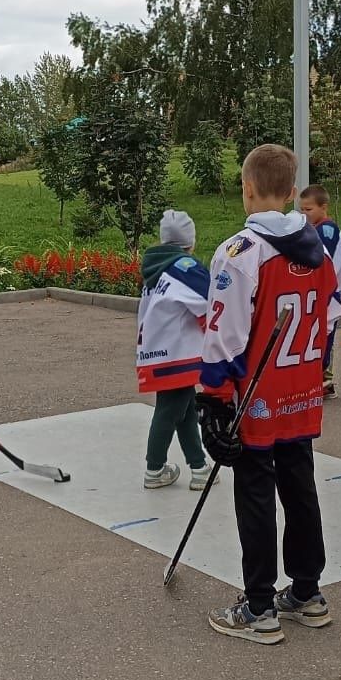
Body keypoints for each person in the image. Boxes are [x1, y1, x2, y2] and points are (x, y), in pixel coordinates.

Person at [198, 144, 340, 644]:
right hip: (299, 393)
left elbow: (224, 335)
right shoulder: (318, 249)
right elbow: (329, 318)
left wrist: (212, 399)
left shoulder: (241, 252)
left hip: (255, 398)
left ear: (249, 188)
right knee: (300, 486)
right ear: (290, 192)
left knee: (255, 492)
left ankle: (259, 607)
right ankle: (307, 591)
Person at [136, 209, 211, 490]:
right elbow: (211, 302)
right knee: (169, 411)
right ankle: (154, 469)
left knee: (185, 409)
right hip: (178, 353)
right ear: (190, 242)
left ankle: (199, 465)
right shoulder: (185, 269)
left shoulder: (157, 270)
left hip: (158, 351)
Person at [297, 184, 341, 397]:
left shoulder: (326, 230)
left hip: (328, 293)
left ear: (323, 207)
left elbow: (323, 263)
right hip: (325, 291)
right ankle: (324, 381)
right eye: (302, 209)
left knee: (323, 337)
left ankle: (321, 381)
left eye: (309, 209)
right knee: (320, 336)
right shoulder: (315, 229)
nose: (304, 214)